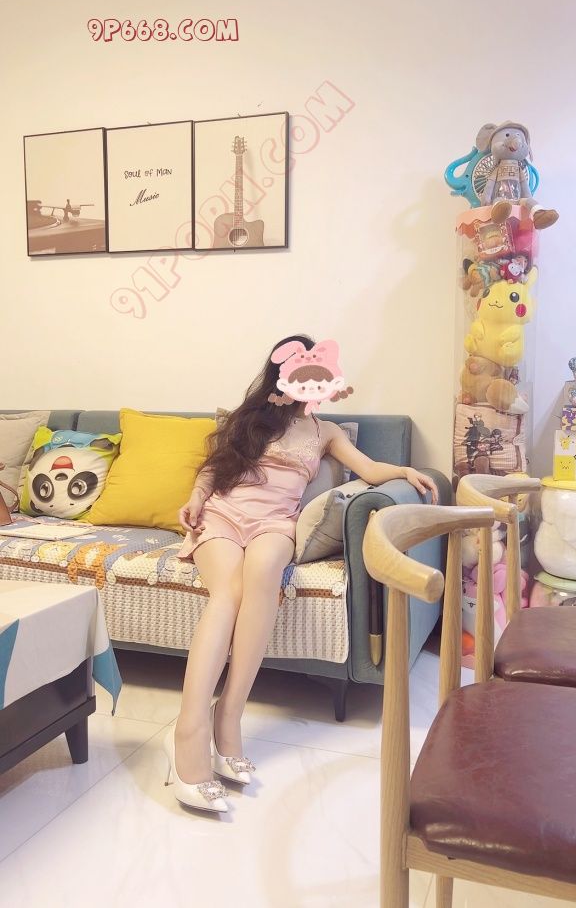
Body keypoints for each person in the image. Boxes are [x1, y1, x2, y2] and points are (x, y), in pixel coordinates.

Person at [163, 334, 438, 812]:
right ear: (282, 377)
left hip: (275, 524)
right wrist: (195, 499)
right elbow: (213, 469)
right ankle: (189, 729)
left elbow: (369, 469)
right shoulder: (249, 419)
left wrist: (404, 472)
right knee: (227, 594)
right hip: (223, 516)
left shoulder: (326, 432)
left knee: (264, 574)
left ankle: (229, 717)